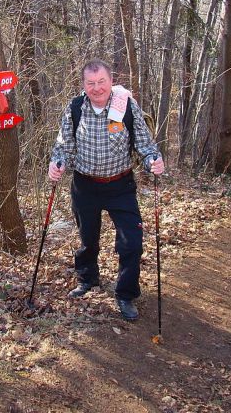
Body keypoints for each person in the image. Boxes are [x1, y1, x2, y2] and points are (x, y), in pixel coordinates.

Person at [49, 58, 164, 321]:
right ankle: (88, 280)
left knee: (131, 242)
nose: (97, 88)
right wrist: (57, 165)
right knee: (88, 239)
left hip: (120, 186)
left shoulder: (126, 106)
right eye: (91, 83)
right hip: (85, 185)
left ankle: (125, 294)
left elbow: (145, 145)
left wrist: (153, 161)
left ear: (111, 81)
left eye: (101, 81)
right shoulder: (76, 107)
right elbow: (63, 146)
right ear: (84, 85)